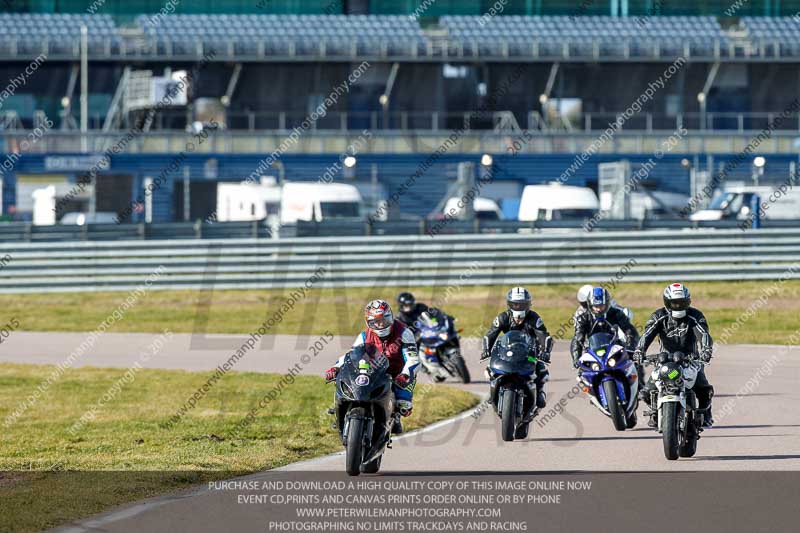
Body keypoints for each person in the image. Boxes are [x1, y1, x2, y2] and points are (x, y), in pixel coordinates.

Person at [325, 300, 420, 432]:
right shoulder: (364, 335)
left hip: (398, 374)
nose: (380, 324)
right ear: (369, 322)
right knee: (348, 385)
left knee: (404, 405)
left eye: (384, 320)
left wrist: (405, 375)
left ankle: (395, 416)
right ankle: (341, 413)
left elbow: (413, 359)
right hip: (374, 372)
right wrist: (335, 368)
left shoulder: (404, 333)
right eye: (376, 321)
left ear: (390, 317)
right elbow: (351, 356)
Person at [633, 283, 714, 429]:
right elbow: (647, 335)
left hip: (690, 360)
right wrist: (639, 350)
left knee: (704, 389)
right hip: (665, 360)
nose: (677, 306)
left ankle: (705, 415)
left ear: (688, 302)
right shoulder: (659, 316)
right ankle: (655, 413)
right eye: (674, 303)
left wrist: (706, 350)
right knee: (646, 391)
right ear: (666, 302)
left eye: (681, 303)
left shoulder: (695, 316)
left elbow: (704, 334)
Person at [481, 287, 552, 408]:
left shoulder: (534, 318)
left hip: (529, 354)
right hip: (506, 351)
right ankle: (494, 391)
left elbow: (544, 336)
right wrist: (486, 350)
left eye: (522, 304)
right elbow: (490, 334)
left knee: (541, 370)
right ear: (509, 304)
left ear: (528, 304)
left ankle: (539, 392)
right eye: (515, 304)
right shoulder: (503, 317)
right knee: (490, 369)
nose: (518, 308)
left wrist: (545, 352)